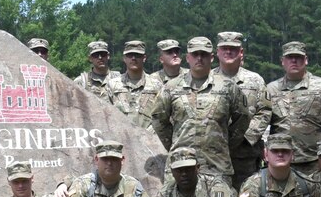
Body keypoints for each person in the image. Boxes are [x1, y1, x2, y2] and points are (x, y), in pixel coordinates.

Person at [150, 36, 251, 183]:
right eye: (195, 54)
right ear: (187, 57)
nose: (199, 58)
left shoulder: (228, 87)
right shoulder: (171, 87)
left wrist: (224, 143)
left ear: (211, 57)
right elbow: (158, 119)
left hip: (217, 166)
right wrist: (174, 143)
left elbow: (242, 118)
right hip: (180, 165)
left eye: (203, 54)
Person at [266, 40, 321, 178]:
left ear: (306, 60)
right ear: (282, 61)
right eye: (289, 57)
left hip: (315, 162)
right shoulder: (271, 89)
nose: (294, 61)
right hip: (282, 161)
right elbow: (262, 122)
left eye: (298, 57)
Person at [215, 31, 270, 188]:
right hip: (215, 155)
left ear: (241, 52)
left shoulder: (256, 80)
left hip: (245, 156)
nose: (228, 51)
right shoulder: (208, 80)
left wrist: (246, 138)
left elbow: (264, 111)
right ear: (217, 52)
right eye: (224, 48)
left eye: (233, 48)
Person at [113, 40, 156, 128]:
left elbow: (163, 118)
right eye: (129, 55)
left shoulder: (156, 86)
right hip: (121, 138)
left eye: (137, 55)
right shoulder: (112, 85)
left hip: (149, 139)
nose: (133, 58)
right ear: (124, 58)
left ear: (144, 58)